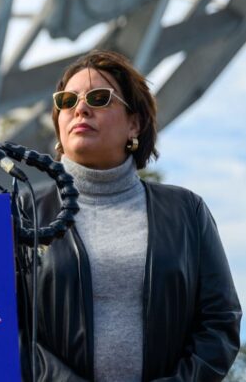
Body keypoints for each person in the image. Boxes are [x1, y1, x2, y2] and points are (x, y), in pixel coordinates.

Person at [18, 50, 241, 381]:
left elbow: (219, 323)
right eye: (67, 101)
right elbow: (6, 327)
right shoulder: (23, 213)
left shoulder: (187, 212)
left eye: (99, 97)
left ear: (134, 123)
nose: (80, 108)